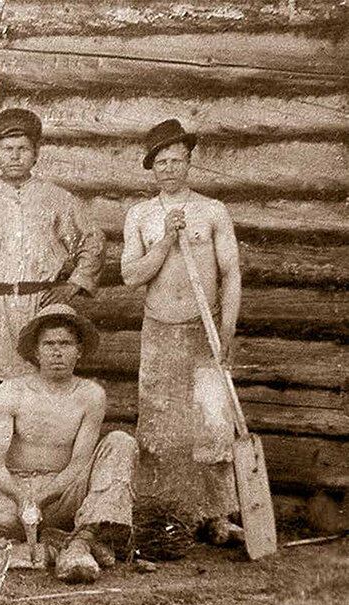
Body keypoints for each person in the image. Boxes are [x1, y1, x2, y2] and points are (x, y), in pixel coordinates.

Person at [0, 108, 106, 509]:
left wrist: (72, 287)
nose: (14, 156)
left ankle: (37, 501)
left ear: (35, 154)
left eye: (22, 149)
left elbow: (93, 240)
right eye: (6, 150)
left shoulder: (56, 200)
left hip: (36, 309)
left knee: (30, 413)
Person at [0, 304, 137, 583]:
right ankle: (48, 550)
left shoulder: (90, 395)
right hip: (18, 489)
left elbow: (78, 464)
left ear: (79, 350)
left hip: (67, 489)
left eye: (65, 344)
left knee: (121, 441)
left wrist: (44, 495)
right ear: (35, 351)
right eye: (49, 344)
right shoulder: (11, 391)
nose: (57, 351)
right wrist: (23, 497)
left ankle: (82, 540)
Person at [121, 118, 243, 543]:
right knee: (158, 425)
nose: (169, 168)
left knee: (212, 424)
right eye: (161, 162)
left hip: (204, 328)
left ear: (189, 163)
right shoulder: (141, 214)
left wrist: (226, 333)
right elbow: (132, 276)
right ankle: (163, 514)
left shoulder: (212, 210)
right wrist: (165, 242)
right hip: (159, 330)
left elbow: (230, 274)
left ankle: (218, 517)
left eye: (177, 160)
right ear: (151, 168)